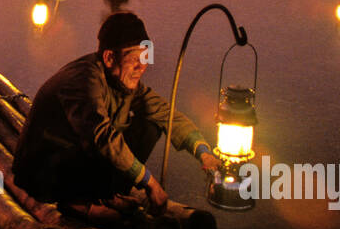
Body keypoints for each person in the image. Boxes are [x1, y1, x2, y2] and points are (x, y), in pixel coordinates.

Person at [12, 11, 219, 215]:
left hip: (75, 165)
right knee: (104, 141)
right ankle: (77, 204)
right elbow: (101, 136)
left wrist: (203, 152)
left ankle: (106, 194)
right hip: (43, 173)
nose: (142, 66)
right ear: (110, 57)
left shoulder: (123, 83)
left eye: (145, 57)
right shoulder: (84, 80)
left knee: (150, 125)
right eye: (135, 58)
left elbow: (166, 114)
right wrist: (150, 182)